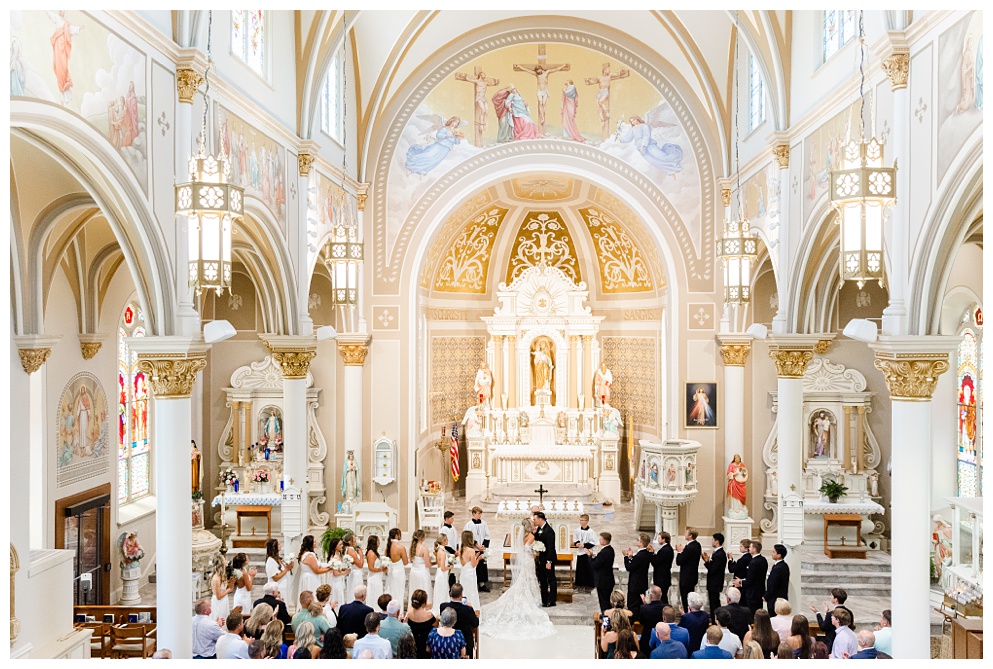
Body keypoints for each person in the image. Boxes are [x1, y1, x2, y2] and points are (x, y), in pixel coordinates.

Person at [479, 516, 555, 640]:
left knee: (526, 578)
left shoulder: (526, 536)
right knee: (529, 578)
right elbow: (528, 550)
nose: (533, 524)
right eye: (531, 523)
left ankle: (530, 595)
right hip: (528, 560)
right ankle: (532, 598)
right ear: (529, 527)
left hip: (526, 560)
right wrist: (536, 552)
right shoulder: (531, 537)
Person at [440, 583, 479, 659]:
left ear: (450, 594)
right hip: (465, 641)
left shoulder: (443, 606)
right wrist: (471, 609)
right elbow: (475, 624)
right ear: (461, 595)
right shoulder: (468, 609)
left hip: (447, 640)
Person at [810, 587, 854, 652]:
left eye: (831, 596)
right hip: (846, 640)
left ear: (836, 599)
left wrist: (817, 613)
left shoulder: (832, 613)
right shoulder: (849, 612)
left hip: (832, 643)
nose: (830, 597)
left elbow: (823, 627)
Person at [733, 540, 767, 613]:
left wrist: (740, 582)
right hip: (760, 591)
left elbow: (750, 580)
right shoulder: (763, 559)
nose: (749, 549)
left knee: (751, 614)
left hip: (752, 593)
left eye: (750, 547)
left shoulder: (753, 562)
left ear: (754, 549)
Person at [532, 511, 558, 607]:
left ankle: (552, 600)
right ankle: (544, 599)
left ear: (540, 519)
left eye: (535, 519)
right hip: (541, 559)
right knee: (542, 579)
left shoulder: (549, 531)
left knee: (551, 579)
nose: (534, 521)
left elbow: (551, 547)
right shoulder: (539, 529)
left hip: (548, 559)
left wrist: (549, 561)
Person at [622, 533, 651, 616]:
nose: (637, 541)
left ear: (641, 543)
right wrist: (631, 557)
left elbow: (629, 567)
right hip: (642, 583)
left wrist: (626, 557)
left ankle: (634, 623)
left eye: (638, 540)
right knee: (640, 604)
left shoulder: (640, 556)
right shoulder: (647, 553)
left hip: (635, 584)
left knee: (632, 605)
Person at [464, 506, 491, 592]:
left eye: (480, 514)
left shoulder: (484, 523)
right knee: (474, 566)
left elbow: (487, 535)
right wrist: (476, 545)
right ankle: (473, 584)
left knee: (482, 566)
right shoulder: (468, 525)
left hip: (482, 548)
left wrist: (483, 546)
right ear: (473, 514)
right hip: (473, 549)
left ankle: (482, 584)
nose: (480, 516)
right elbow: (468, 537)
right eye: (478, 514)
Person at [675, 528, 702, 613]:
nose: (684, 533)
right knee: (690, 598)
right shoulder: (697, 545)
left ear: (690, 535)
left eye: (686, 532)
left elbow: (679, 561)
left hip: (686, 578)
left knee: (685, 598)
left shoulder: (689, 547)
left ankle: (687, 614)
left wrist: (679, 552)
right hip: (692, 576)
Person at [405, 589, 437, 659]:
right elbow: (436, 625)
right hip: (425, 646)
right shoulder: (429, 615)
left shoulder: (409, 613)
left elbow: (412, 606)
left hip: (413, 645)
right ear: (424, 603)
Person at [702, 532, 727, 620]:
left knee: (714, 604)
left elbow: (713, 569)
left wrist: (706, 562)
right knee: (714, 602)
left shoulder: (720, 554)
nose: (711, 541)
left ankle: (716, 621)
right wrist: (708, 560)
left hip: (715, 583)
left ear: (717, 541)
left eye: (713, 540)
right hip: (714, 583)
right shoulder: (717, 553)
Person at [589, 531, 616, 612]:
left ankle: (606, 620)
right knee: (606, 601)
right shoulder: (610, 550)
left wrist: (590, 556)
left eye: (600, 539)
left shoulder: (604, 552)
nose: (599, 540)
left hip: (603, 581)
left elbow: (595, 565)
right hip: (607, 580)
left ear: (605, 541)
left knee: (604, 603)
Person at [384, 528, 409, 616]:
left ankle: (390, 611)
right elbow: (406, 562)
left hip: (391, 572)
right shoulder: (401, 547)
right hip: (399, 572)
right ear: (396, 535)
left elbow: (386, 559)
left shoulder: (388, 546)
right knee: (399, 592)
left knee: (392, 591)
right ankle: (399, 612)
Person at [408, 529, 432, 611]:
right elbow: (427, 564)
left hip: (414, 571)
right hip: (422, 572)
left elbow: (411, 560)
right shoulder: (424, 549)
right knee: (424, 589)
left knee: (414, 590)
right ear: (423, 537)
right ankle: (424, 609)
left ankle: (413, 608)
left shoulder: (412, 547)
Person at [458, 529, 482, 610]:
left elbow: (466, 561)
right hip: (470, 575)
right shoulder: (471, 550)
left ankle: (464, 608)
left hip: (463, 574)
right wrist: (479, 558)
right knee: (472, 592)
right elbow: (473, 565)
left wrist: (475, 556)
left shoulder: (460, 549)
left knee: (464, 592)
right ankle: (473, 609)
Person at [636, 585, 665, 650]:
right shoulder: (666, 607)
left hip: (647, 639)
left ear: (651, 596)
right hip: (662, 638)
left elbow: (641, 621)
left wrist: (645, 605)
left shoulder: (644, 608)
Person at [572, 514, 596, 590]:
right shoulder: (577, 530)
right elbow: (575, 539)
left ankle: (589, 583)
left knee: (588, 568)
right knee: (580, 568)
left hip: (587, 552)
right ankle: (580, 583)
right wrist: (577, 543)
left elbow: (594, 542)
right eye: (580, 520)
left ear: (587, 521)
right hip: (580, 552)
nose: (581, 522)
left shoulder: (591, 532)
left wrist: (584, 545)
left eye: (582, 520)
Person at [765, 544, 790, 612]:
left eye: (773, 552)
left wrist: (766, 596)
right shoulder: (783, 565)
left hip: (775, 600)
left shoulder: (778, 568)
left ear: (779, 555)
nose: (771, 553)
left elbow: (773, 585)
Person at [328, 539, 350, 616]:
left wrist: (343, 569)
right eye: (340, 545)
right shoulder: (334, 557)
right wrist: (345, 572)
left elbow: (338, 569)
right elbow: (335, 573)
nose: (342, 546)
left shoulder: (339, 555)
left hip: (340, 580)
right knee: (337, 596)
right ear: (335, 546)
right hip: (336, 581)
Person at [209, 554, 234, 622]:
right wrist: (229, 589)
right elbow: (218, 597)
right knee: (220, 619)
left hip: (224, 600)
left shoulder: (222, 575)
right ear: (221, 563)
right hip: (218, 603)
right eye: (225, 560)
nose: (227, 561)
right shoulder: (216, 578)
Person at [342, 532, 364, 604]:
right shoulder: (351, 551)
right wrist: (361, 555)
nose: (355, 540)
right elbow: (360, 565)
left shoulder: (349, 549)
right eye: (354, 539)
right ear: (349, 541)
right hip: (356, 574)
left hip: (354, 573)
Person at [365, 535, 386, 606]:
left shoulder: (374, 552)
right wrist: (381, 569)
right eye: (378, 541)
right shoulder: (371, 553)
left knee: (377, 594)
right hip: (374, 578)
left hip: (377, 577)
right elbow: (371, 568)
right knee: (374, 595)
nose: (379, 542)